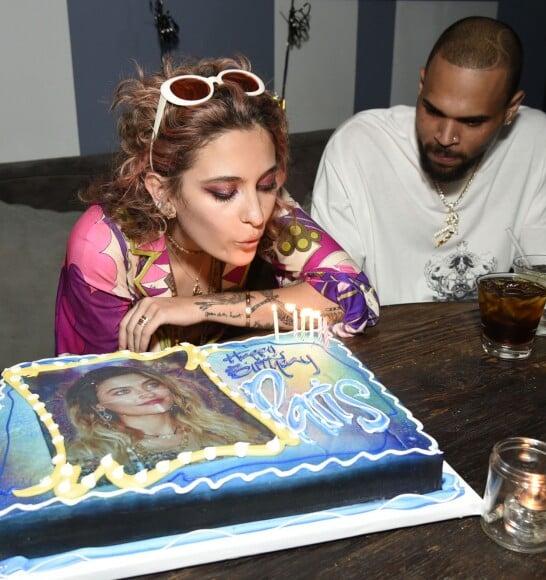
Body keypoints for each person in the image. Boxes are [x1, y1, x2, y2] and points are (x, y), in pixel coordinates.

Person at [55, 55, 379, 355]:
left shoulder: (266, 208)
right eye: (225, 192)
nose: (257, 214)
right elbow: (96, 387)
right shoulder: (101, 247)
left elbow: (355, 299)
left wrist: (202, 306)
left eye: (266, 184)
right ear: (162, 192)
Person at [311, 16, 546, 305]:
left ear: (510, 109)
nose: (445, 137)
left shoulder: (534, 139)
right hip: (384, 342)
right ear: (421, 85)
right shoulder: (358, 146)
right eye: (433, 110)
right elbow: (331, 291)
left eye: (472, 122)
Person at [65, 365, 272, 472]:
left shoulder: (223, 428)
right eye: (122, 392)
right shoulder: (92, 451)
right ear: (99, 406)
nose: (146, 394)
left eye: (152, 385)